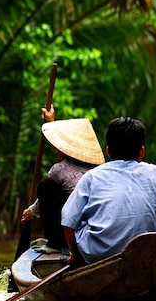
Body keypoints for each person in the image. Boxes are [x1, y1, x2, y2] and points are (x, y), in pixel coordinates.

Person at [60, 116, 156, 265]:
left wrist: (76, 257)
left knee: (81, 220)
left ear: (108, 151)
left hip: (98, 257)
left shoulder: (92, 176)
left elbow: (68, 219)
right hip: (146, 254)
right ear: (141, 152)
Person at [21, 105, 104, 251]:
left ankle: (54, 243)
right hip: (98, 230)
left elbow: (44, 201)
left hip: (71, 232)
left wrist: (30, 212)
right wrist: (50, 122)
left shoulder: (59, 169)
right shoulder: (100, 170)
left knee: (45, 186)